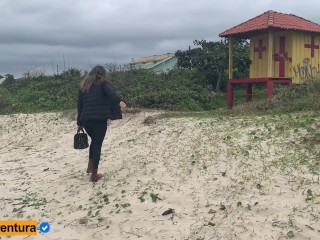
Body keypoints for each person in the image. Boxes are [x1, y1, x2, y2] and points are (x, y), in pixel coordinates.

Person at [77, 65, 126, 182]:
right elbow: (111, 94)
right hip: (99, 120)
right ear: (102, 74)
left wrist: (79, 122)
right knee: (98, 144)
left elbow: (80, 105)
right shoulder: (103, 83)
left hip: (86, 120)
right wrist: (120, 101)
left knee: (94, 141)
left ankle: (90, 165)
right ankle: (94, 175)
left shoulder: (83, 86)